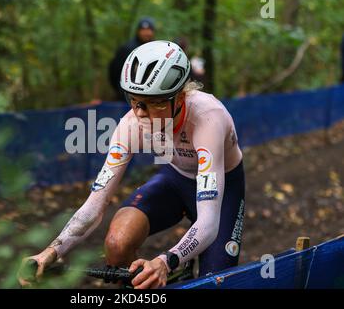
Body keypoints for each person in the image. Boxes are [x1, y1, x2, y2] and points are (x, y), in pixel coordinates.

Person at [19, 41, 245, 289]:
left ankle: (167, 273)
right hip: (176, 178)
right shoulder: (131, 124)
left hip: (224, 189)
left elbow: (209, 223)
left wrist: (165, 261)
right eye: (134, 100)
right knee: (117, 244)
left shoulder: (208, 118)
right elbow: (94, 205)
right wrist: (51, 251)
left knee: (214, 283)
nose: (140, 113)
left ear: (180, 98)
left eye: (152, 103)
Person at [108, 17, 155, 101]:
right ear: (138, 31)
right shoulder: (127, 48)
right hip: (128, 95)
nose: (146, 33)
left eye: (149, 30)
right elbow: (114, 71)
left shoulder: (156, 49)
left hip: (150, 94)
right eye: (143, 30)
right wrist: (120, 90)